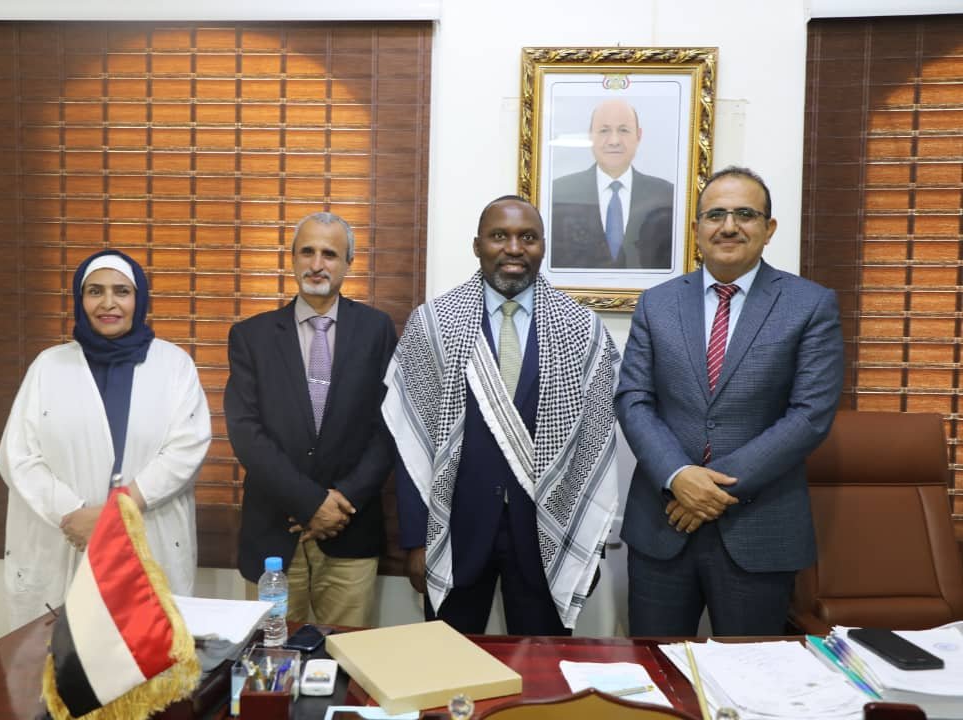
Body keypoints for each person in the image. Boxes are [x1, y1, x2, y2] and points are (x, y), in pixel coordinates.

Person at [617, 166, 845, 636]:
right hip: (663, 525)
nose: (729, 226)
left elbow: (810, 416)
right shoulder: (656, 303)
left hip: (759, 529)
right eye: (716, 214)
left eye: (745, 214)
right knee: (656, 668)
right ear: (697, 227)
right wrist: (679, 476)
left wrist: (709, 490)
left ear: (769, 228)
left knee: (752, 671)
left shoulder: (810, 305)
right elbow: (634, 400)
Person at [384, 195, 621, 635]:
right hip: (454, 531)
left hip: (548, 533)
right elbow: (410, 438)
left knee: (542, 670)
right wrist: (416, 541)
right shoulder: (433, 324)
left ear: (543, 247)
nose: (514, 248)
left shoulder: (582, 328)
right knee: (449, 664)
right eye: (499, 236)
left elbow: (595, 446)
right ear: (477, 246)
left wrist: (588, 545)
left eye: (527, 237)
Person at [0, 249, 212, 628]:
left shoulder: (174, 365)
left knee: (147, 651)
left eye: (121, 291)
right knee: (58, 654)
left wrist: (114, 514)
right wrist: (75, 514)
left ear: (139, 299)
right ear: (80, 300)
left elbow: (185, 450)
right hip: (69, 535)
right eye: (95, 291)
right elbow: (18, 457)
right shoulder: (48, 365)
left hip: (147, 532)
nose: (108, 303)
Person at [224, 212, 397, 627]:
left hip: (350, 531)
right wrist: (311, 504)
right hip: (274, 536)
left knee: (347, 654)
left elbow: (390, 427)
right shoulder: (251, 337)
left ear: (348, 263)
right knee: (270, 654)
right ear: (292, 259)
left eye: (330, 254)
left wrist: (341, 502)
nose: (317, 264)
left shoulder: (377, 330)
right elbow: (246, 433)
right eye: (307, 252)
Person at [550, 98, 674, 270]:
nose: (614, 140)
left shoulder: (666, 195)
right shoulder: (559, 193)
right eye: (604, 131)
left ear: (638, 135)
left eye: (623, 130)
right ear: (590, 135)